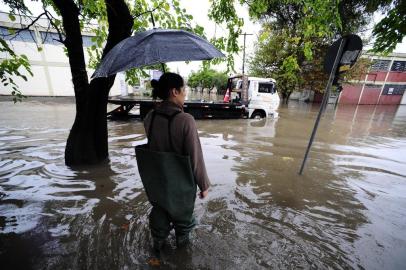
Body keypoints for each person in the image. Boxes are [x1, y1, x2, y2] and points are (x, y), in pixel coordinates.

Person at [143, 72, 210, 251]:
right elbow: (196, 157)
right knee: (183, 228)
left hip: (158, 186)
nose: (185, 94)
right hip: (180, 189)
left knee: (159, 225)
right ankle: (183, 258)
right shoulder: (186, 120)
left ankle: (156, 253)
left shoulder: (149, 118)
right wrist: (204, 185)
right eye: (183, 90)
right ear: (174, 92)